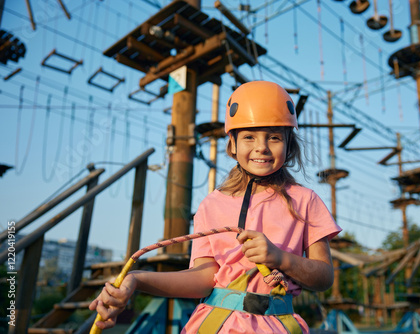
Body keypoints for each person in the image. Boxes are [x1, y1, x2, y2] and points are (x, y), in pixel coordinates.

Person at [89, 80, 341, 333]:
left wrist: (281, 258)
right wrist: (136, 280)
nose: (261, 147)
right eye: (249, 137)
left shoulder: (306, 201)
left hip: (276, 325)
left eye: (274, 137)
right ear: (232, 143)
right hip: (214, 325)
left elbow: (323, 277)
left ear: (289, 145)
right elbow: (202, 279)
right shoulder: (211, 204)